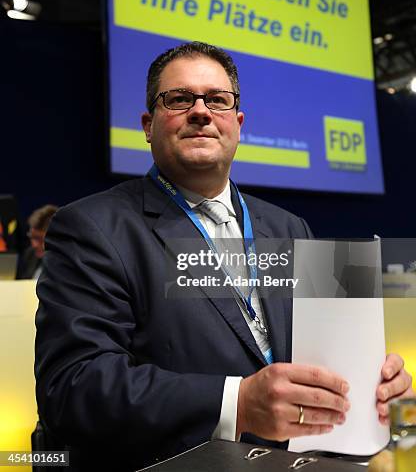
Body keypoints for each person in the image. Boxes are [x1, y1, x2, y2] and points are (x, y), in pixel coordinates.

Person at [35, 42, 413, 471]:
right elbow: (71, 386)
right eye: (179, 99)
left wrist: (373, 384)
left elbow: (329, 358)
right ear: (147, 124)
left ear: (238, 122)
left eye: (217, 99)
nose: (200, 111)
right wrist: (237, 402)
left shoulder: (291, 229)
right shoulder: (90, 227)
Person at [16, 204, 58, 279]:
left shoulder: (69, 262)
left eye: (39, 239)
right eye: (31, 237)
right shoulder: (30, 254)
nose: (34, 244)